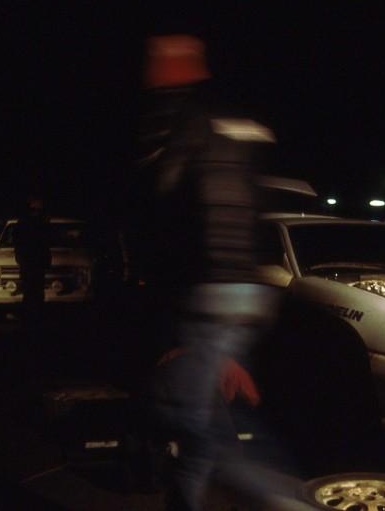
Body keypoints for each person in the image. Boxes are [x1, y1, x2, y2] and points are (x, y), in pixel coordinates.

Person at [127, 34, 306, 511]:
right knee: (201, 432)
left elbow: (166, 217)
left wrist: (179, 326)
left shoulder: (173, 120)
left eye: (155, 62)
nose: (149, 71)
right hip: (245, 290)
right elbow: (258, 205)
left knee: (194, 425)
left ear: (172, 68)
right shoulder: (237, 122)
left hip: (208, 290)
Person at [13, 196, 51, 325]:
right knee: (33, 290)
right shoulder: (34, 224)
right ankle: (33, 316)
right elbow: (44, 243)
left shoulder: (25, 224)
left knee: (32, 290)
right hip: (32, 261)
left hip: (31, 262)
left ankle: (32, 316)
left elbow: (19, 244)